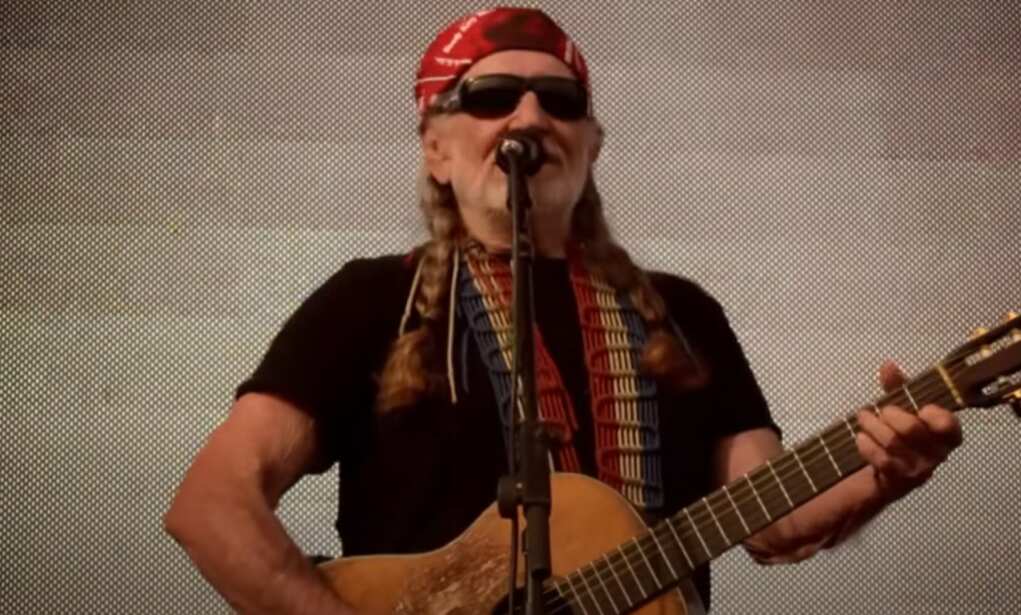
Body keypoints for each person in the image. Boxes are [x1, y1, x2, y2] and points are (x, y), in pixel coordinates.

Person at [164, 8, 963, 614]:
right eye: (490, 97)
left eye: (559, 99)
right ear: (436, 148)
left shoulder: (680, 313)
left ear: (591, 144)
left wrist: (883, 473)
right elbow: (211, 504)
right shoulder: (372, 299)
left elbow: (772, 519)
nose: (528, 117)